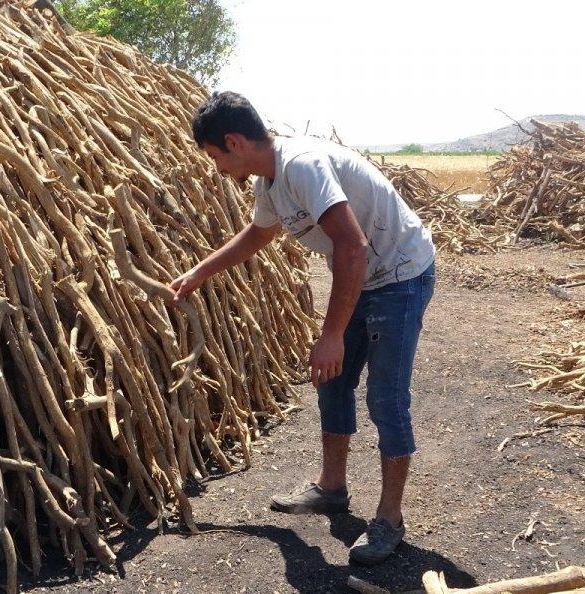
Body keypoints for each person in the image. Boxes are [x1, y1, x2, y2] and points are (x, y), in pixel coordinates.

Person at [169, 92, 436, 564]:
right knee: (331, 381)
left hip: (399, 273)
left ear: (233, 142)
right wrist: (201, 272)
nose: (216, 169)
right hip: (361, 276)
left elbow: (351, 247)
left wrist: (330, 334)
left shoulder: (302, 165)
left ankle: (390, 519)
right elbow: (258, 234)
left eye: (214, 157)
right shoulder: (269, 183)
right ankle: (332, 488)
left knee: (385, 398)